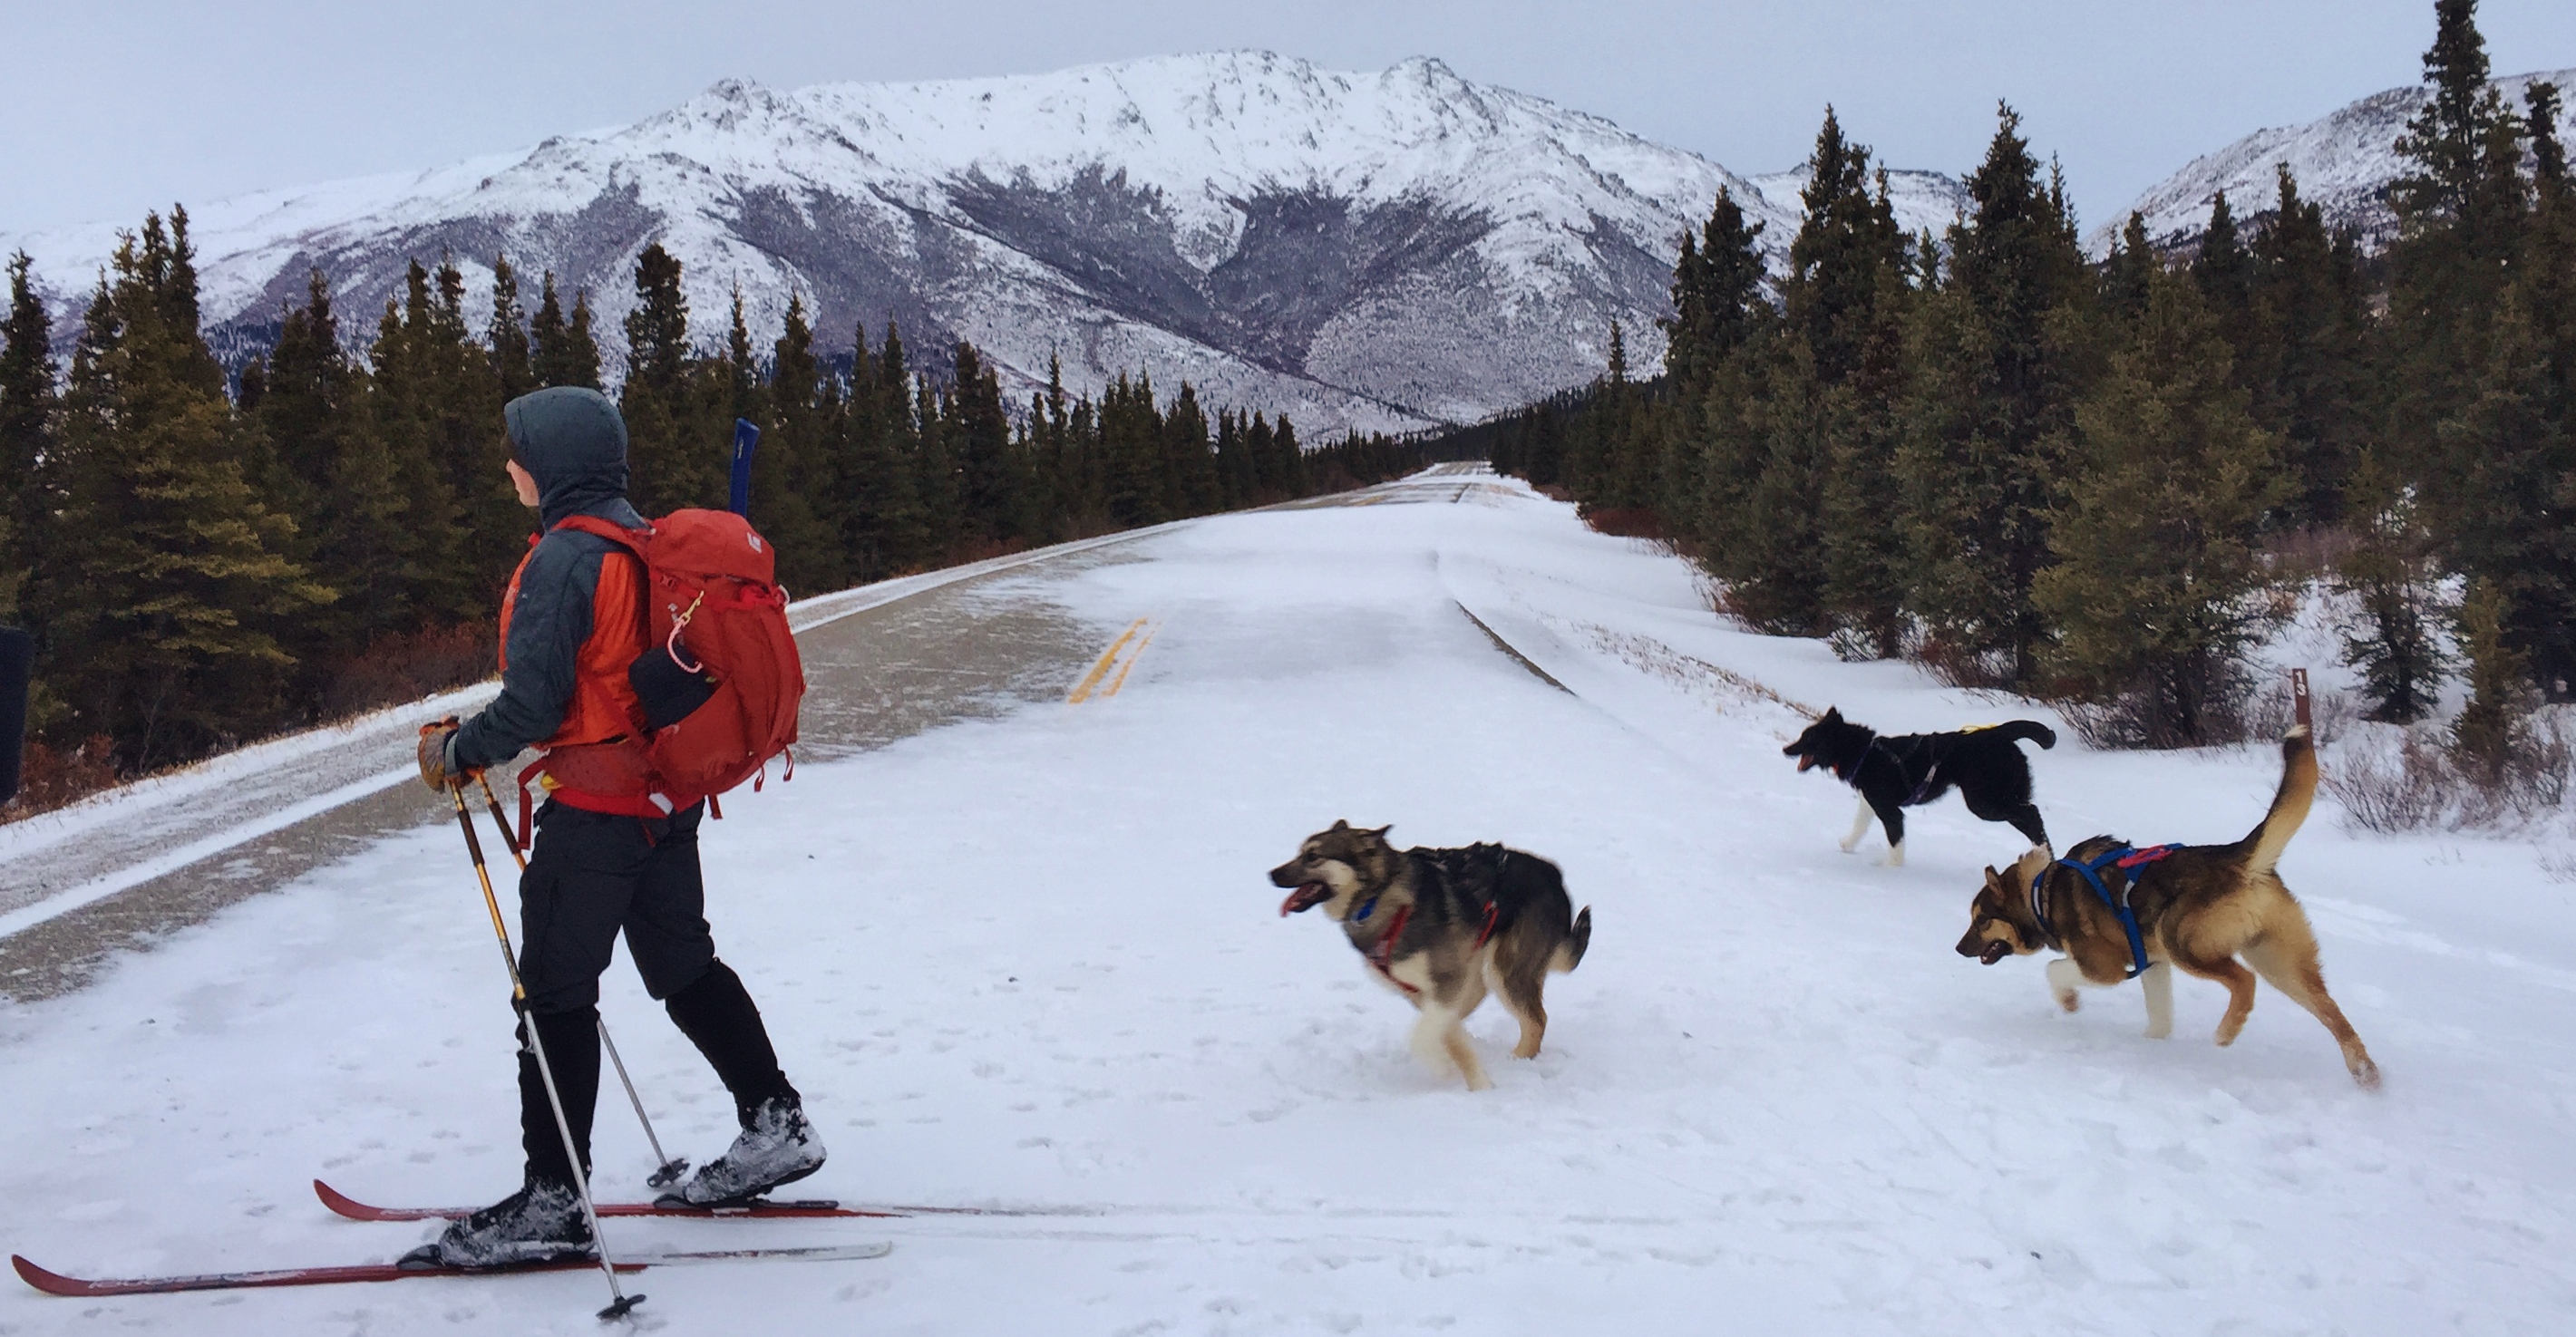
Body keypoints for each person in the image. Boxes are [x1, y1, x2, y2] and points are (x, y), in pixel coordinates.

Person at [410, 386, 822, 1266]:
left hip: (597, 810)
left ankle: (554, 1199)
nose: (508, 466)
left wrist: (459, 749)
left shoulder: (564, 559)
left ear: (550, 464)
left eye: (517, 451)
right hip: (666, 800)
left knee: (554, 993)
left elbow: (534, 703)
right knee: (683, 967)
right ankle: (775, 1121)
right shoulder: (647, 542)